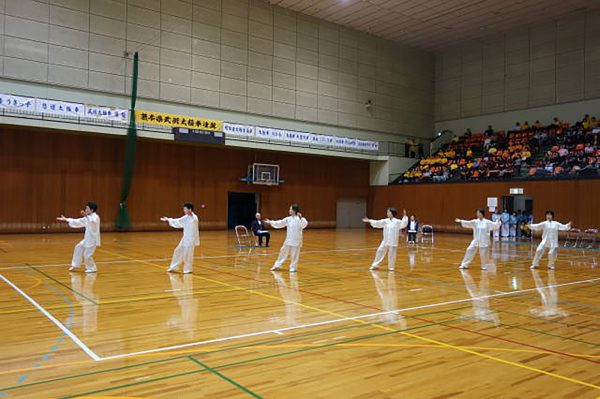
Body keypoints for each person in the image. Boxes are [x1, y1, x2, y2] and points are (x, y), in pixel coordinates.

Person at [56, 202, 101, 273]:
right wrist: (66, 219)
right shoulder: (87, 218)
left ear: (92, 210)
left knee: (87, 255)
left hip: (93, 241)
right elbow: (78, 221)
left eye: (87, 208)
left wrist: (86, 216)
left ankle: (92, 268)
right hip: (87, 239)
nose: (85, 209)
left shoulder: (96, 217)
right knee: (78, 247)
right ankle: (75, 265)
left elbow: (93, 221)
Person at [266, 204, 308, 272]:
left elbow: (304, 224)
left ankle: (293, 267)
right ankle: (277, 265)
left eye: (290, 209)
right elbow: (280, 223)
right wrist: (271, 222)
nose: (289, 210)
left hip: (297, 240)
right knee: (282, 252)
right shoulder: (288, 219)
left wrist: (301, 218)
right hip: (288, 239)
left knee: (294, 255)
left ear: (294, 210)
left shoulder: (300, 219)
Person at [161, 202, 200, 274]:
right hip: (185, 238)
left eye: (185, 209)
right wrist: (168, 219)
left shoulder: (194, 218)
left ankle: (187, 269)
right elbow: (178, 220)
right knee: (177, 251)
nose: (184, 210)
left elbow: (188, 220)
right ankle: (173, 267)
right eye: (184, 209)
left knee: (187, 255)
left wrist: (190, 214)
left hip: (191, 239)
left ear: (190, 209)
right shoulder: (187, 217)